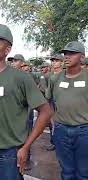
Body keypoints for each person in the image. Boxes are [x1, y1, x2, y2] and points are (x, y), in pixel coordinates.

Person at [0, 24, 52, 180]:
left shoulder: (20, 78)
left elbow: (46, 111)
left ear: (7, 50)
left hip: (9, 156)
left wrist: (26, 146)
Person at [47, 41, 88, 180]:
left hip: (84, 131)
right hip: (61, 131)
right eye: (65, 53)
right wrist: (53, 123)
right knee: (67, 171)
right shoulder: (55, 78)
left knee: (83, 172)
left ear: (82, 57)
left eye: (72, 53)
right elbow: (49, 102)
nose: (67, 56)